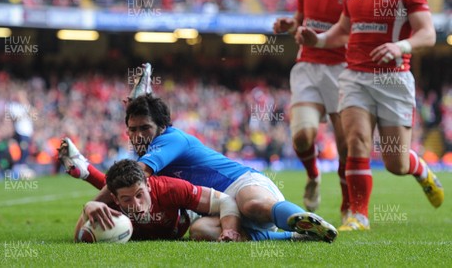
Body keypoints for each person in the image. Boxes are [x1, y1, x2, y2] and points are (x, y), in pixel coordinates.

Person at [61, 67, 338, 243]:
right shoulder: (151, 151)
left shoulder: (171, 139)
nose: (138, 136)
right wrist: (86, 173)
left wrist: (89, 201)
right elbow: (130, 188)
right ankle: (292, 235)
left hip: (241, 184)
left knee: (251, 204)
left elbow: (135, 178)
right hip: (221, 208)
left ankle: (305, 219)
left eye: (145, 128)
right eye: (132, 130)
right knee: (201, 232)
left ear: (162, 127)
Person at [294, 0, 444, 231]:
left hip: (393, 81)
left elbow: (428, 33)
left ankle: (420, 169)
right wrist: (319, 41)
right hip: (355, 78)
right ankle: (358, 215)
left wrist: (400, 46)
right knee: (357, 141)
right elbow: (344, 30)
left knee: (395, 163)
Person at [273, 0, 357, 220]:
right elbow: (300, 20)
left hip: (343, 72)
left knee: (346, 146)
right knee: (303, 137)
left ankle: (348, 209)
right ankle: (313, 175)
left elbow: (352, 34)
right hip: (307, 67)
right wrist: (289, 24)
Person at [75, 159, 245, 241]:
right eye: (126, 199)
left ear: (148, 185)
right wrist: (87, 208)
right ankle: (85, 170)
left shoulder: (171, 188)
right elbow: (80, 239)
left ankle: (86, 171)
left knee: (200, 230)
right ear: (115, 199)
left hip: (187, 218)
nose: (136, 205)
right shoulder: (109, 207)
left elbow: (226, 201)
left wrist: (230, 231)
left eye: (139, 195)